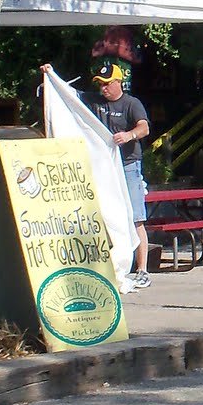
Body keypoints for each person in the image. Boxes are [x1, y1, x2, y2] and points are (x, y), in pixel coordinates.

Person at [41, 58, 153, 288]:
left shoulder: (132, 104)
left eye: (107, 83)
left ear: (118, 82)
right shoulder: (93, 100)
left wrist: (129, 135)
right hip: (104, 169)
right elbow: (69, 95)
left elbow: (144, 127)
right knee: (105, 215)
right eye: (100, 84)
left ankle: (142, 270)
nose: (103, 88)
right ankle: (108, 265)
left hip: (128, 166)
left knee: (135, 218)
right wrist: (51, 75)